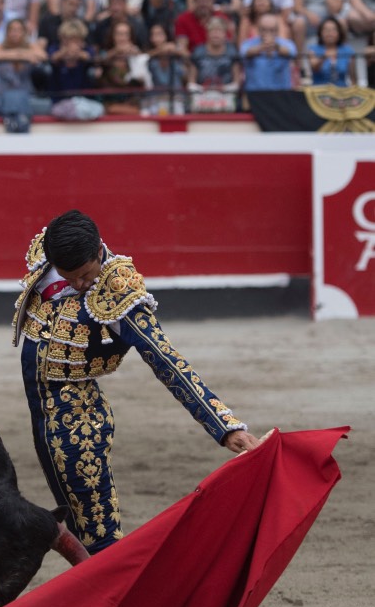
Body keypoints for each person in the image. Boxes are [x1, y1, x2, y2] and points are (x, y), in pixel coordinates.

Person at [14, 210, 257, 553]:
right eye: (71, 278)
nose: (80, 285)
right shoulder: (47, 252)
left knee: (97, 535)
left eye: (85, 275)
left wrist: (224, 425)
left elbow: (166, 359)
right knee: (75, 522)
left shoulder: (119, 294)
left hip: (77, 418)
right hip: (41, 412)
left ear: (99, 252)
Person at [241, 13, 298, 90]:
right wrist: (261, 47)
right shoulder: (248, 43)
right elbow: (243, 53)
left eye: (272, 30)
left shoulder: (286, 43)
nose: (268, 33)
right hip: (255, 94)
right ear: (259, 30)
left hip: (281, 93)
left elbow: (293, 53)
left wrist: (276, 47)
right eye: (264, 30)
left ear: (277, 30)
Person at [307, 16, 355, 87]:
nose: (329, 33)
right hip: (319, 91)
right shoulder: (313, 49)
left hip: (342, 92)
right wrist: (324, 57)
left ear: (339, 33)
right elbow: (314, 67)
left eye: (333, 30)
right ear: (320, 33)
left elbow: (353, 79)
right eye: (326, 30)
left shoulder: (347, 51)